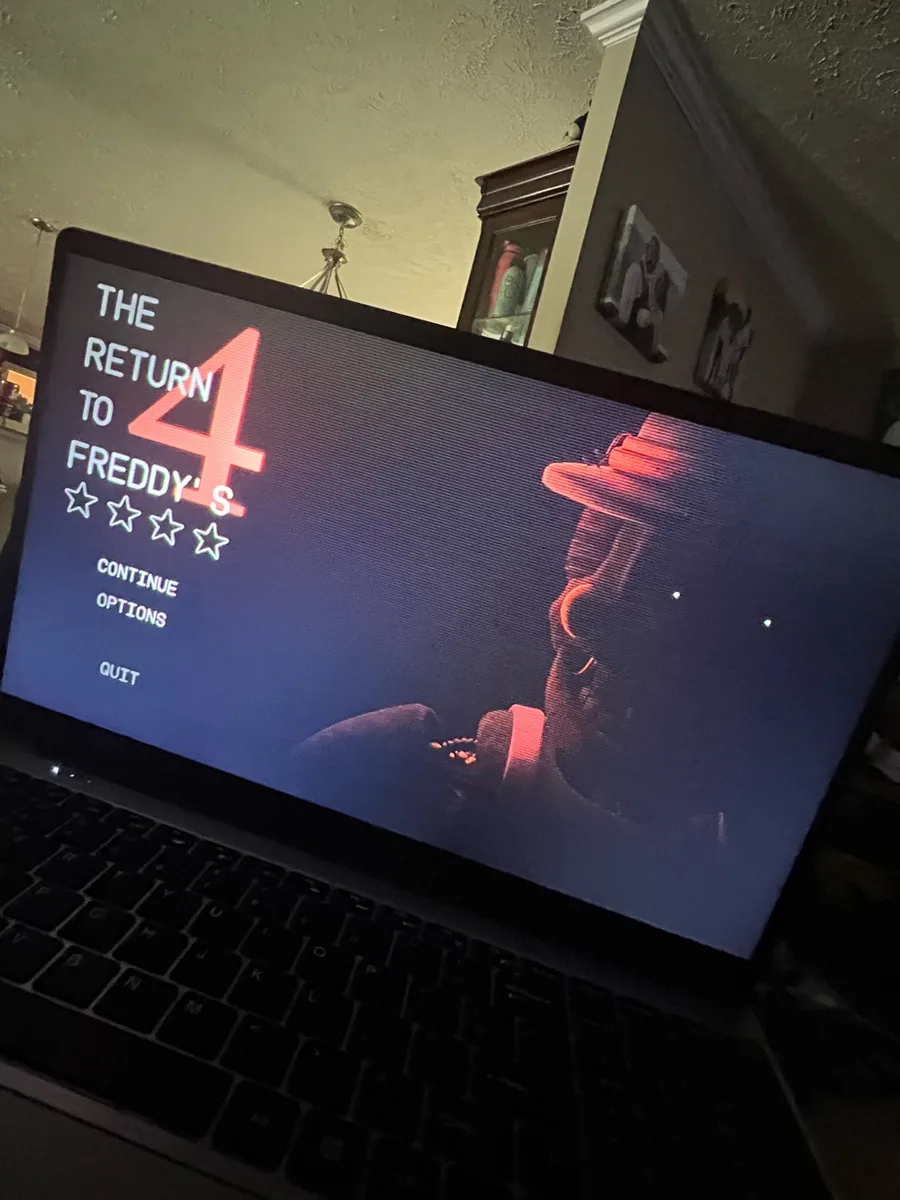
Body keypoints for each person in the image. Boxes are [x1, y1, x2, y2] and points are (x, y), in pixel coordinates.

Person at [290, 414, 770, 898]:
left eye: (685, 594)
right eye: (601, 541)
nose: (577, 610)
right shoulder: (388, 765)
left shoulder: (382, 769)